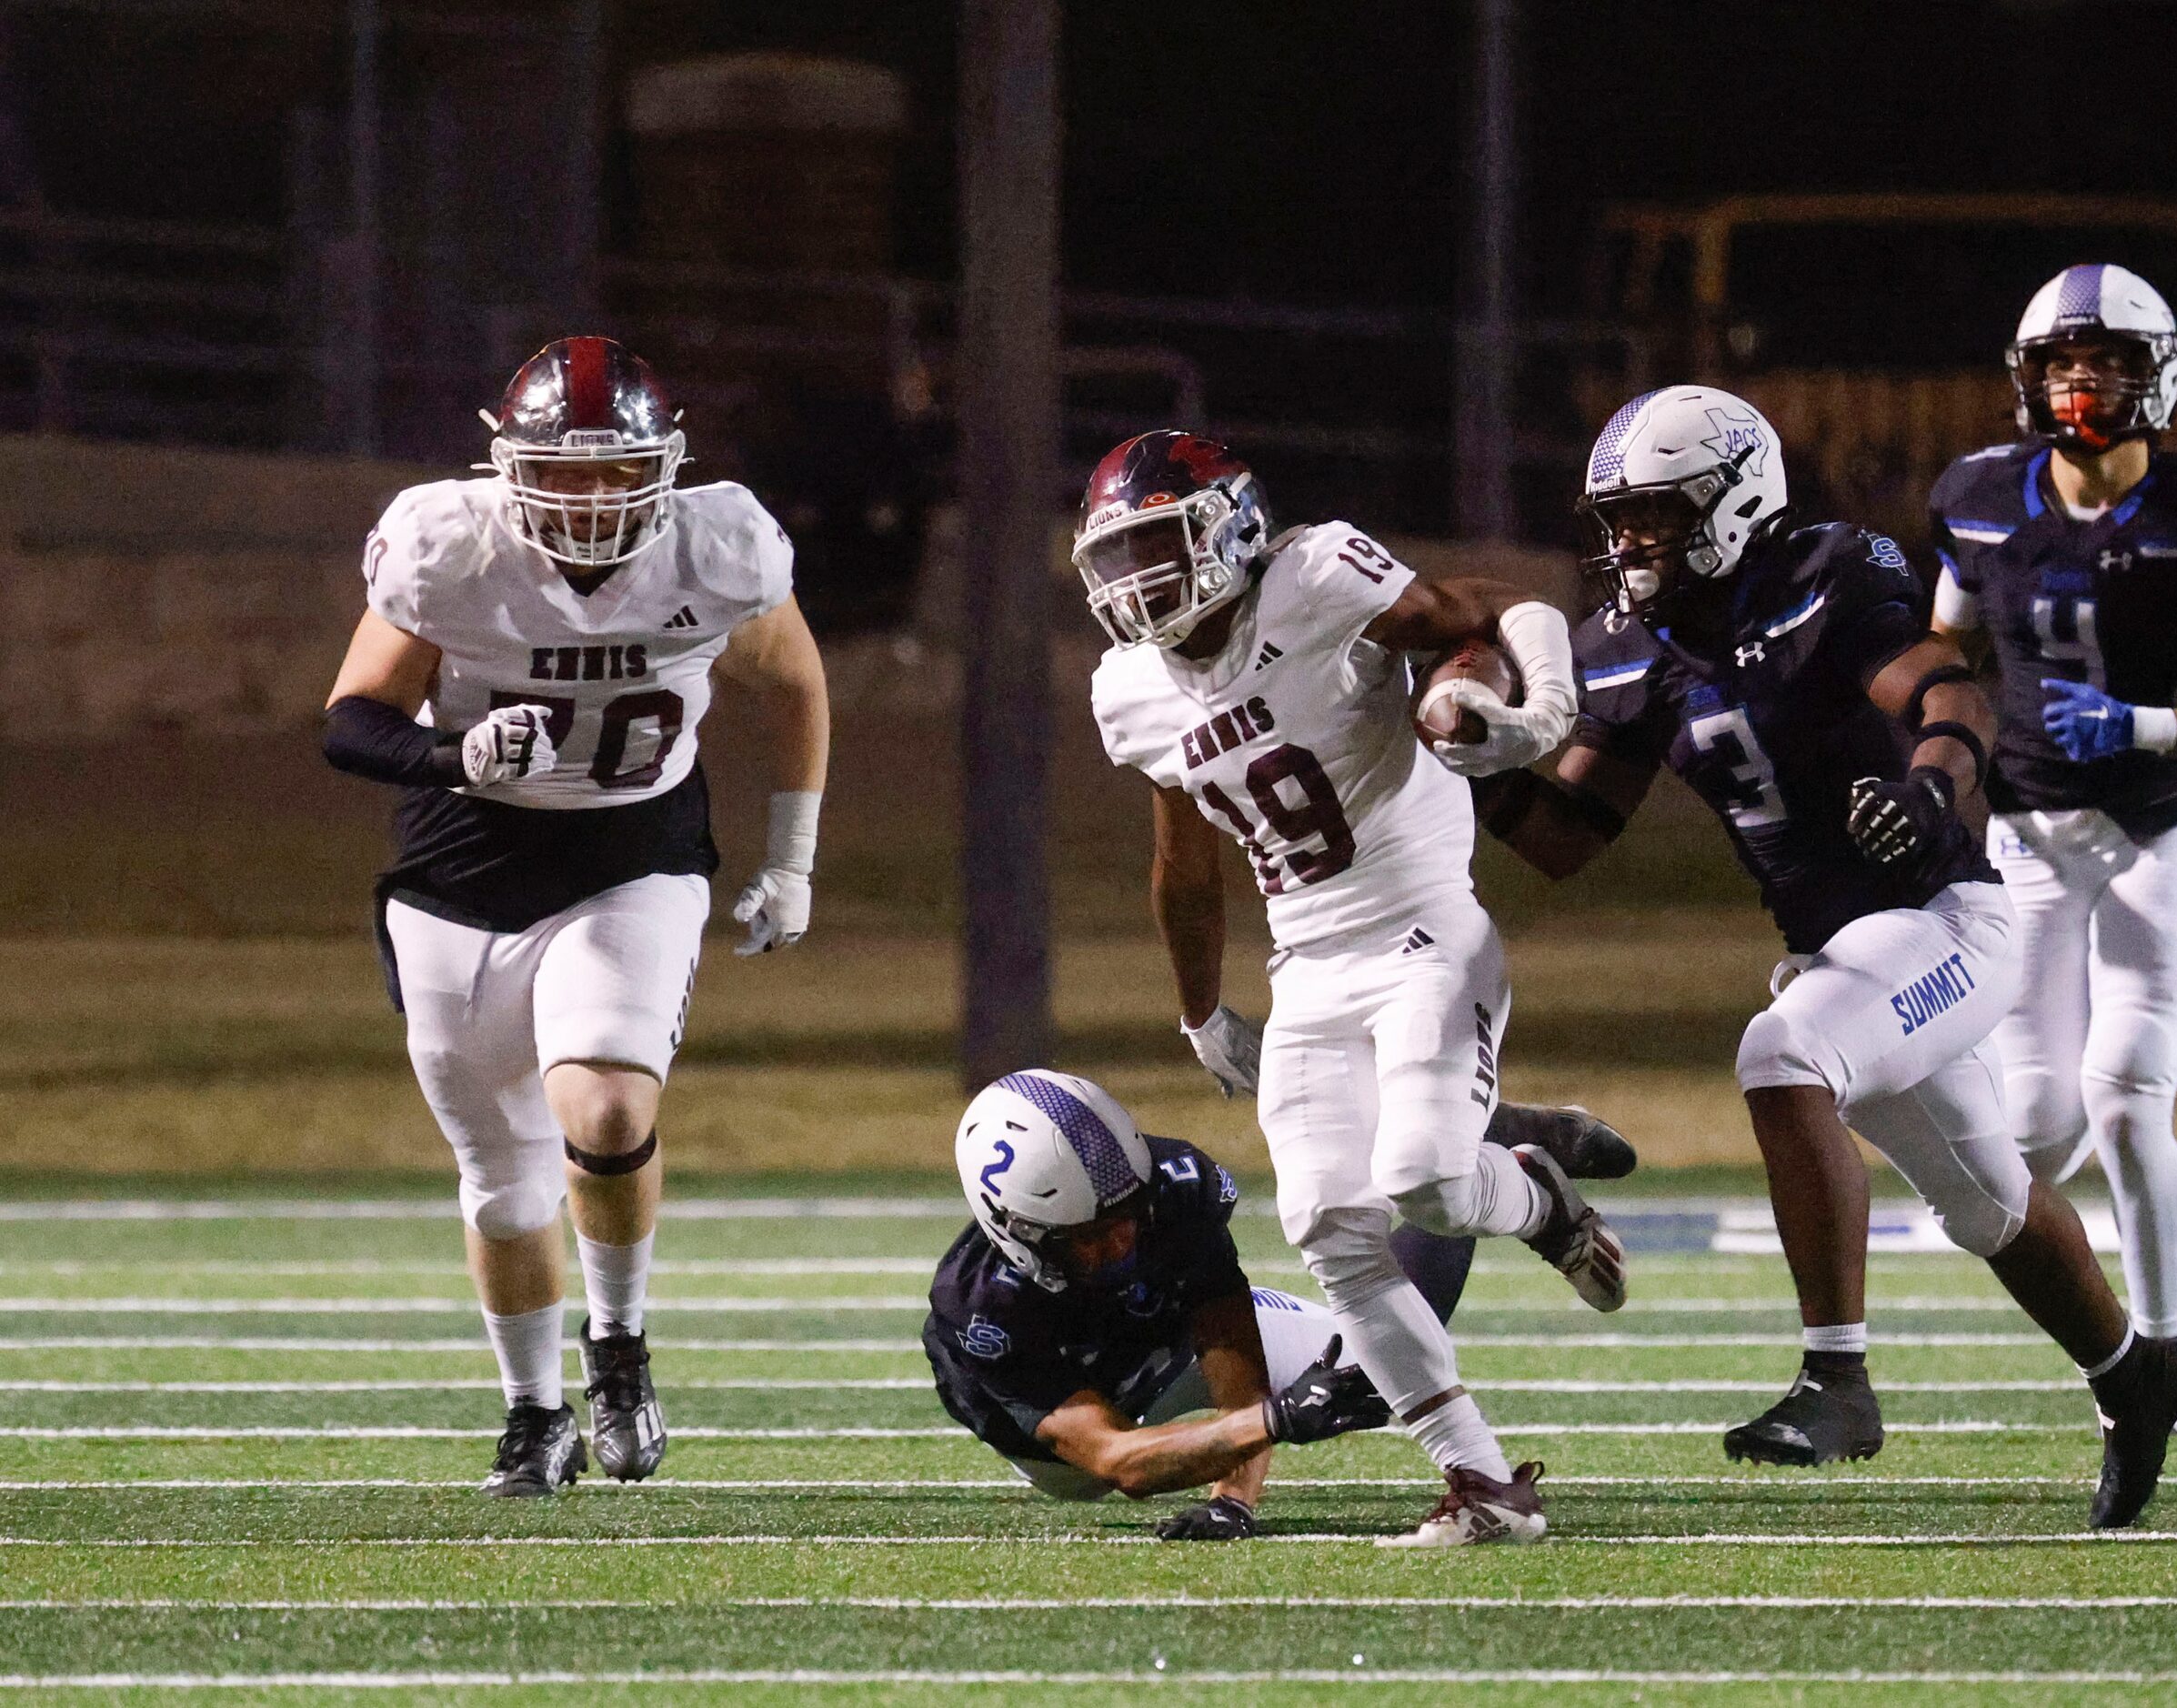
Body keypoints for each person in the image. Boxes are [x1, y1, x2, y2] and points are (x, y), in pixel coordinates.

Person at [1473, 385, 2177, 1527]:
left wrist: (1928, 787)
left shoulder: (1819, 574)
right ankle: (2136, 1372)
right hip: (1839, 950)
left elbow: (1951, 692)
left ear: (1735, 499)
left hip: (1947, 919)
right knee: (1989, 1208)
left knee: (1784, 1055)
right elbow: (1566, 837)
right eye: (1620, 518)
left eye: (1657, 515)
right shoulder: (1619, 644)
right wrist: (1479, 770)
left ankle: (1837, 1381)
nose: (1632, 542)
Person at [1080, 429, 1627, 1546]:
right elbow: (1183, 864)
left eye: (1157, 546)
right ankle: (1483, 1486)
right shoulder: (1134, 687)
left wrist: (1540, 717)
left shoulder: (1316, 573)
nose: (1139, 582)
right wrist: (1199, 1012)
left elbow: (1502, 606)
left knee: (1425, 1177)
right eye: (1119, 557)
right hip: (1310, 965)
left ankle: (1533, 1191)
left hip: (1426, 928)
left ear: (1229, 526)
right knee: (1328, 1227)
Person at [319, 337, 830, 1495]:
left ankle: (620, 1345)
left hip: (631, 854)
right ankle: (532, 1412)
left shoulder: (716, 549)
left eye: (619, 471)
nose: (594, 497)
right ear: (508, 466)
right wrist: (453, 756)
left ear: (666, 466)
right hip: (460, 874)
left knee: (602, 1103)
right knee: (503, 1183)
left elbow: (794, 679)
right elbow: (351, 721)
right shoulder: (453, 551)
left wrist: (791, 860)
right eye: (565, 471)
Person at [1929, 265, 2177, 1429]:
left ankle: (2160, 1366)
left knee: (2127, 1100)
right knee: (2036, 1131)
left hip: (2159, 831)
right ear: (2027, 377)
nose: (2081, 384)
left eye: (2107, 363)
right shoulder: (1980, 497)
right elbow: (1940, 662)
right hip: (2033, 834)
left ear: (2160, 379)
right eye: (2062, 363)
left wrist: (2151, 722)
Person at [926, 1068, 1487, 1537]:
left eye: (1126, 1220)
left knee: (1384, 1361)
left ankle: (1470, 1148)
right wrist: (1280, 1418)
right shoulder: (981, 1308)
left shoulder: (1174, 1192)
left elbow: (1235, 1364)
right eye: (1090, 1237)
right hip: (1068, 1457)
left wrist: (1232, 1502)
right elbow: (1116, 1460)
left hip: (1169, 1350)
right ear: (1017, 1232)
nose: (1121, 1246)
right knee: (1085, 1484)